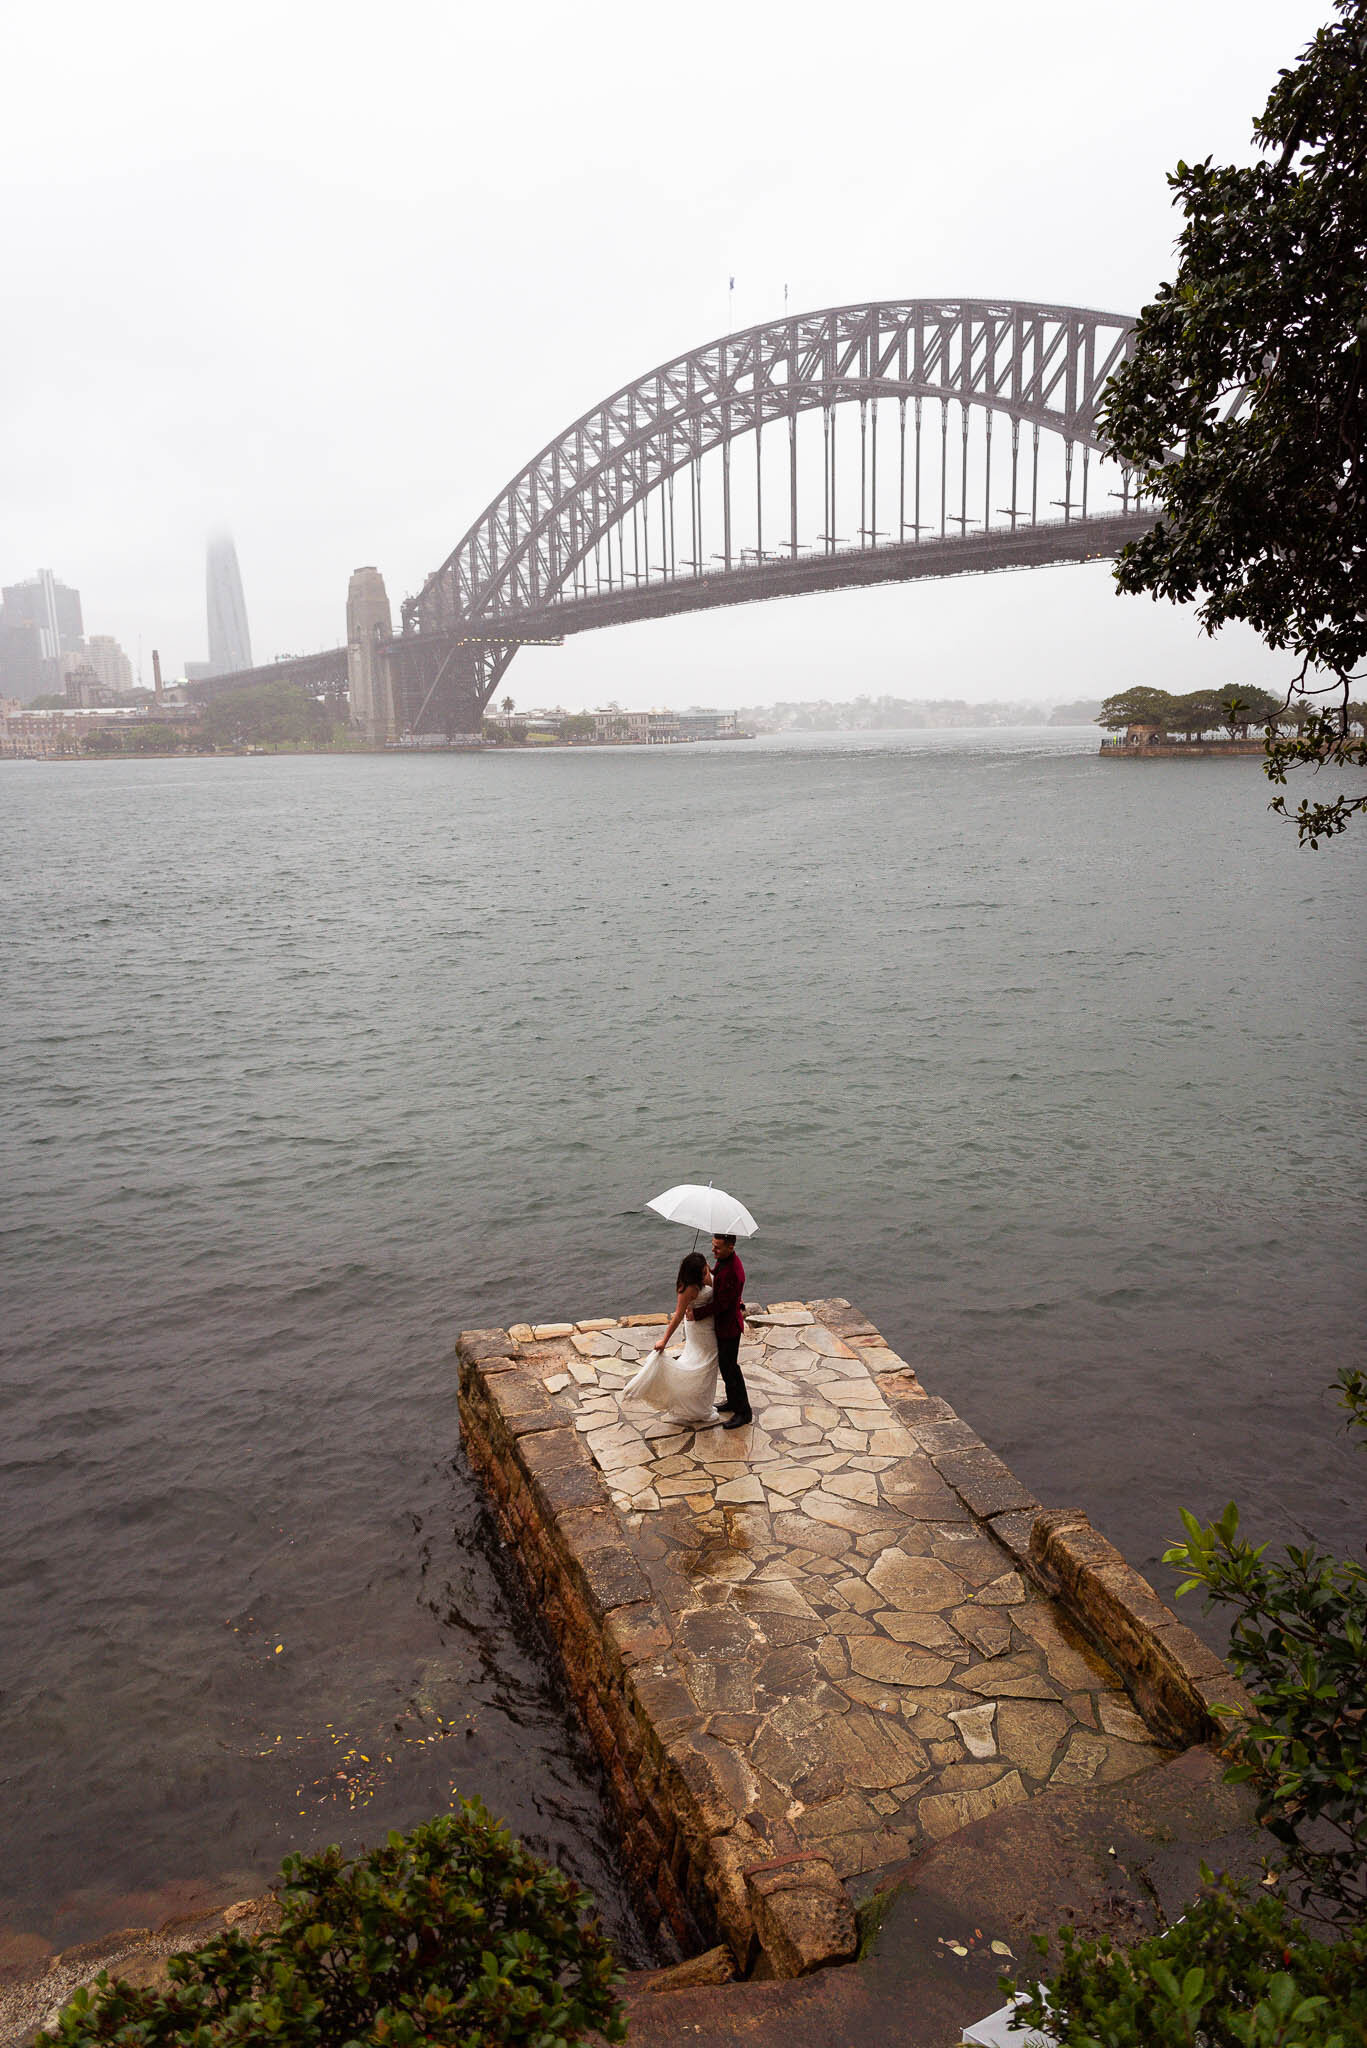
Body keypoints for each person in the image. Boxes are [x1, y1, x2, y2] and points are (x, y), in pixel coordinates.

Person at [620, 1251, 720, 1425]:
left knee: (709, 1366)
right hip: (698, 1330)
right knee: (702, 1365)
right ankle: (700, 1410)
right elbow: (678, 1315)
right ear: (694, 1275)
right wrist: (664, 1341)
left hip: (710, 1324)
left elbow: (717, 1289)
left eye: (706, 1268)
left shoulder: (704, 1270)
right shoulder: (687, 1289)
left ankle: (703, 1404)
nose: (707, 1272)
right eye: (703, 1272)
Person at [691, 1232, 750, 1428]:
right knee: (726, 1368)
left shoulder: (733, 1271)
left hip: (729, 1327)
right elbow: (718, 1278)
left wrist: (697, 1313)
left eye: (717, 1247)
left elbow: (722, 1304)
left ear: (730, 1247)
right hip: (724, 1324)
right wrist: (707, 1270)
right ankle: (733, 1402)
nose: (713, 1250)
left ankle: (744, 1412)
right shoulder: (725, 1261)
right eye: (713, 1245)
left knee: (731, 1369)